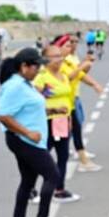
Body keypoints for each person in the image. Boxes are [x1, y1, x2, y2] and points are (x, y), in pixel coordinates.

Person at [0, 48, 61, 217]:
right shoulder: (15, 85)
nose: (39, 70)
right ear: (24, 66)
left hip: (28, 140)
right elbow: (2, 115)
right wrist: (28, 133)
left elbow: (28, 109)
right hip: (24, 141)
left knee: (28, 181)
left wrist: (52, 110)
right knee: (52, 175)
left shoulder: (24, 83)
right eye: (36, 67)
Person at [33, 42, 85, 204]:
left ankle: (59, 189)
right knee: (42, 156)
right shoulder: (41, 77)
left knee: (63, 155)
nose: (59, 59)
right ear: (45, 59)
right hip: (47, 122)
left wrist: (68, 118)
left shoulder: (63, 75)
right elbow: (34, 102)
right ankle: (31, 188)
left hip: (63, 120)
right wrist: (54, 110)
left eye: (60, 56)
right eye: (55, 56)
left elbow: (67, 97)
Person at [62, 34, 102, 172]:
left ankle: (82, 159)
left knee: (76, 127)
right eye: (68, 44)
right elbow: (68, 77)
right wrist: (82, 66)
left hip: (71, 100)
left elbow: (80, 74)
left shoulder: (70, 59)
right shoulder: (58, 63)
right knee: (60, 136)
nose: (72, 45)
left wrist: (94, 83)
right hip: (60, 105)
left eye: (74, 42)